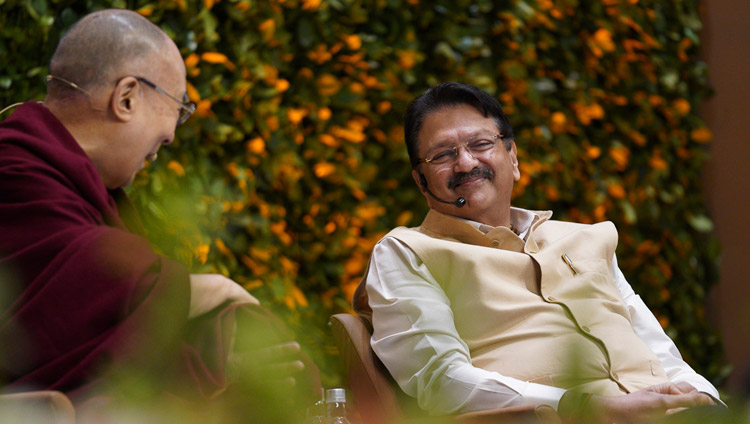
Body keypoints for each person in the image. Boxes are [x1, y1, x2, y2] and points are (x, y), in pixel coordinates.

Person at [0, 9, 318, 418]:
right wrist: (212, 288)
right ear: (126, 97)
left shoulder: (82, 184)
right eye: (178, 106)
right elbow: (81, 292)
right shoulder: (14, 171)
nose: (171, 134)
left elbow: (110, 334)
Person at [353, 82, 721, 423]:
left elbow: (660, 350)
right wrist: (583, 408)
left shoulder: (586, 239)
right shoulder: (406, 252)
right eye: (443, 155)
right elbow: (441, 379)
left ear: (512, 158)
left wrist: (708, 401)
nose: (465, 162)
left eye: (480, 144)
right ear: (421, 181)